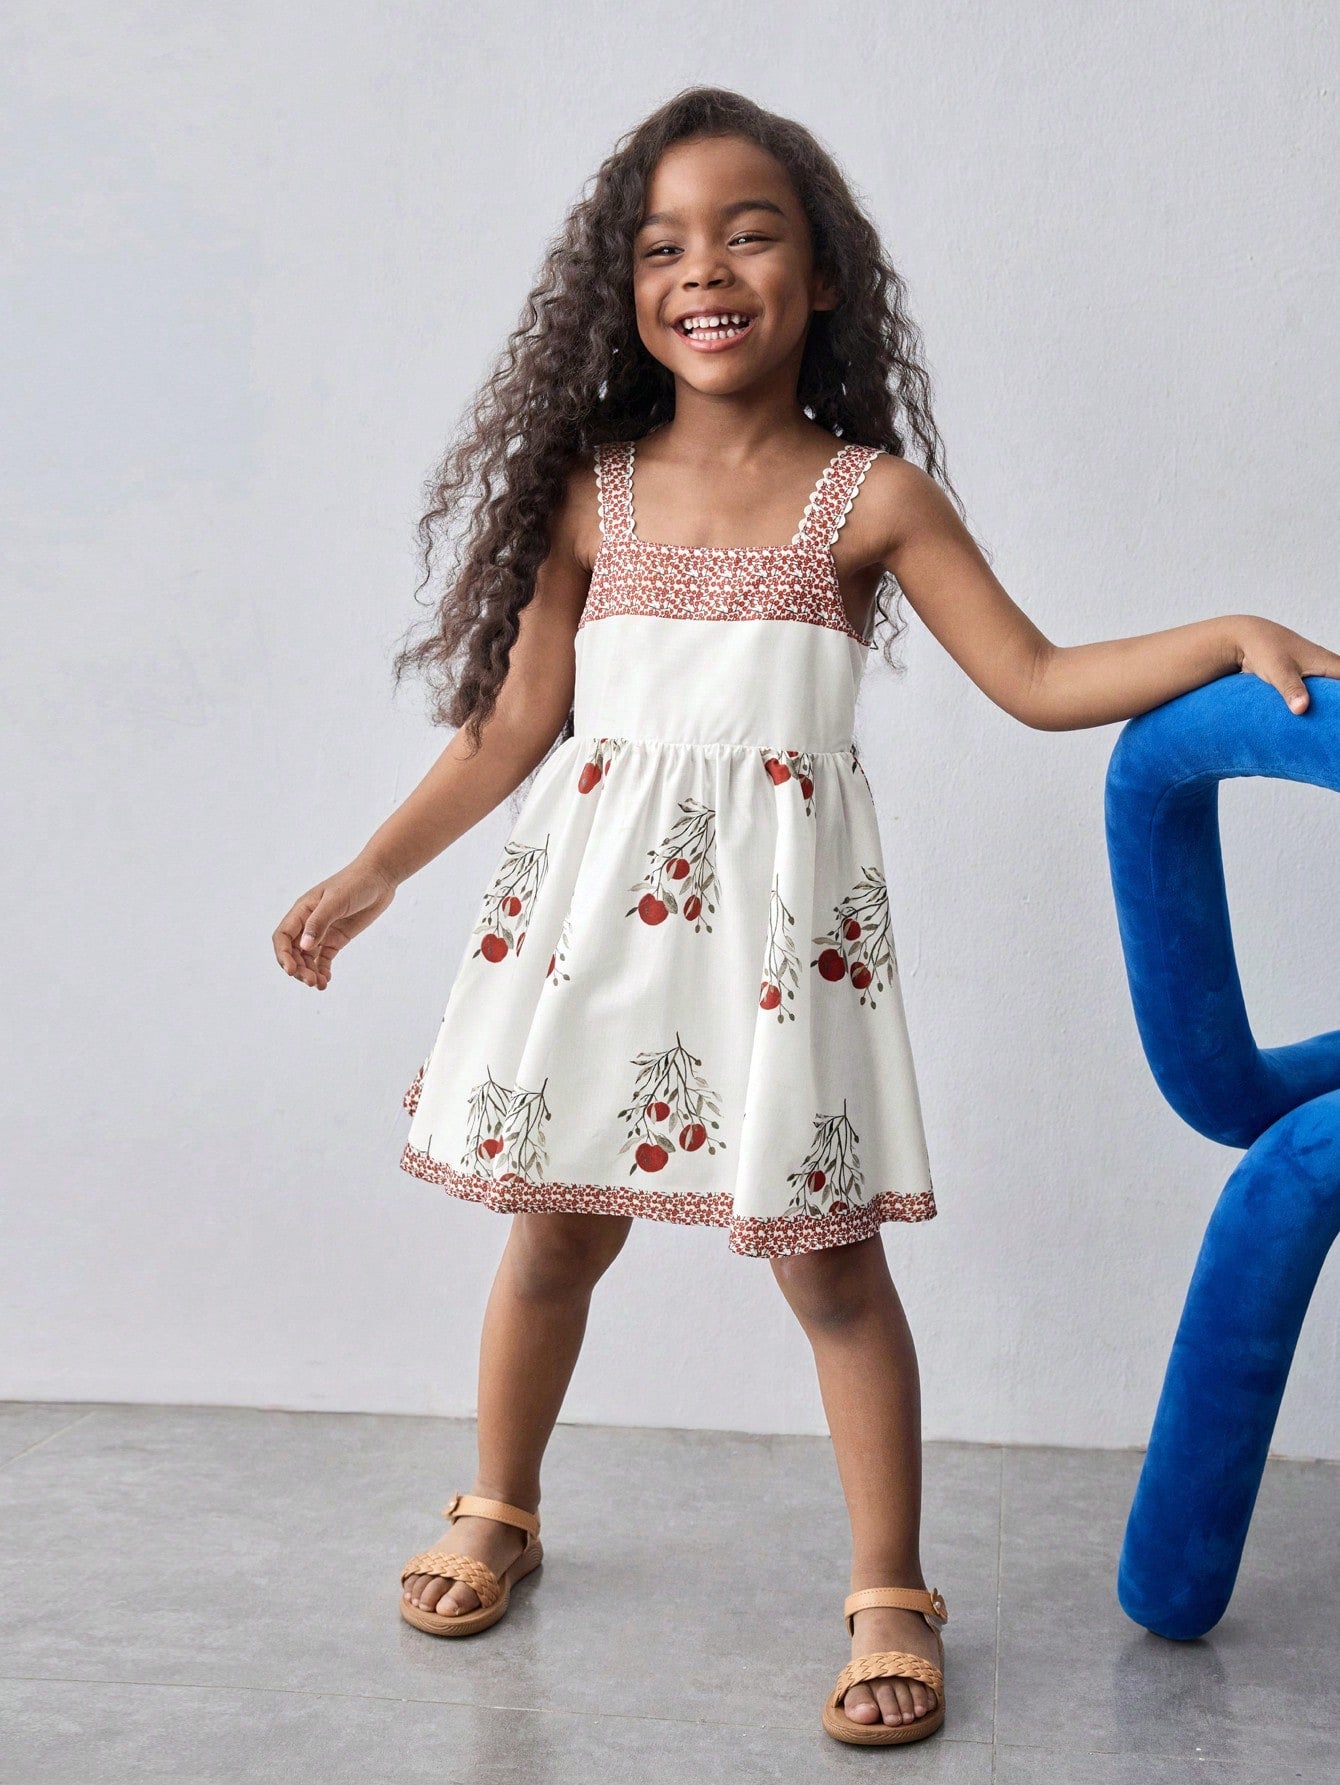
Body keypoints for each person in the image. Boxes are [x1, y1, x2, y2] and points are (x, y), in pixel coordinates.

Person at [271, 86, 1339, 1748]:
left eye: (748, 234)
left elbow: (1039, 676)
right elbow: (512, 725)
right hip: (600, 932)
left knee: (833, 1266)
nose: (704, 270)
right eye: (662, 247)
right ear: (623, 288)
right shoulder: (588, 493)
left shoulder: (870, 498)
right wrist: (374, 866)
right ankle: (500, 1502)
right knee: (554, 1232)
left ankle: (892, 1586)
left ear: (823, 275)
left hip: (777, 954)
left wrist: (1223, 633)